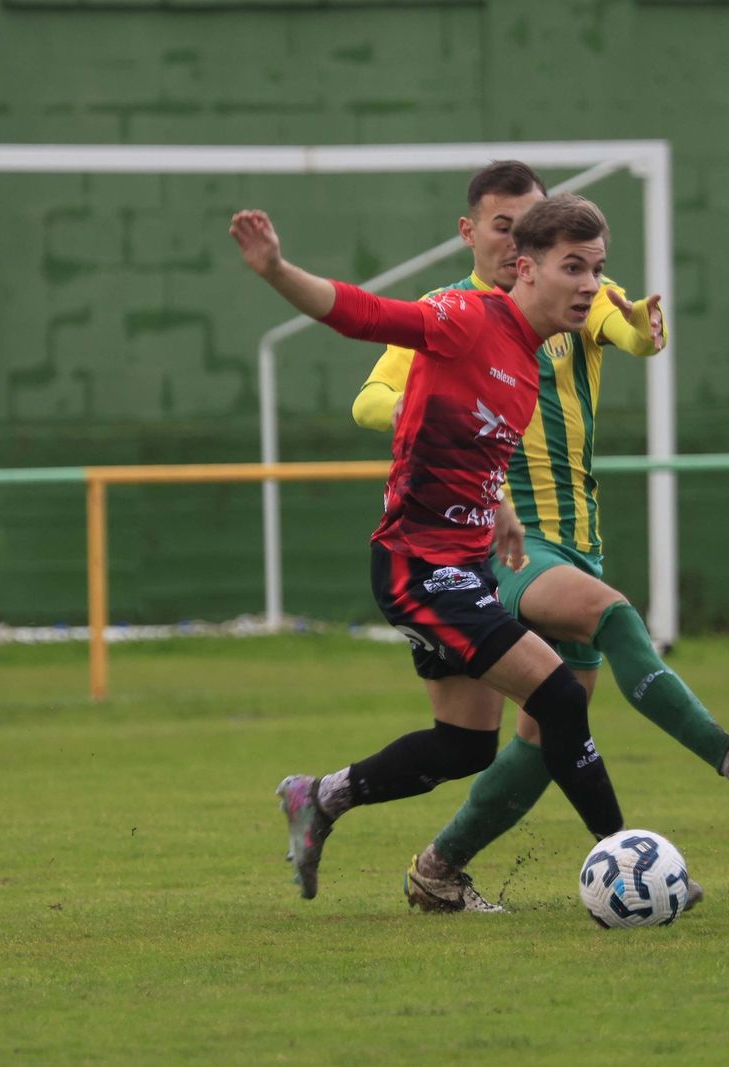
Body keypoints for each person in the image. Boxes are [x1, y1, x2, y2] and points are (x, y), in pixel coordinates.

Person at [351, 162, 729, 914]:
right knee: (615, 616)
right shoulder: (451, 313)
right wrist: (429, 413)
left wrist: (644, 330)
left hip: (579, 539)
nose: (524, 238)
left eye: (538, 222)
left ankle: (437, 869)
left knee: (543, 735)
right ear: (479, 234)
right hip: (511, 549)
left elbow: (624, 329)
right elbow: (370, 397)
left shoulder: (568, 296)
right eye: (507, 225)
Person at [229, 194, 634, 902]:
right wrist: (276, 270)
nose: (592, 286)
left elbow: (468, 447)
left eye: (598, 269)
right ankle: (628, 860)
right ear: (525, 269)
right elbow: (361, 313)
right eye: (575, 267)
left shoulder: (528, 357)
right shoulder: (466, 318)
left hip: (465, 559)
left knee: (466, 744)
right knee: (561, 694)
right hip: (421, 566)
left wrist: (499, 507)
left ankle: (319, 797)